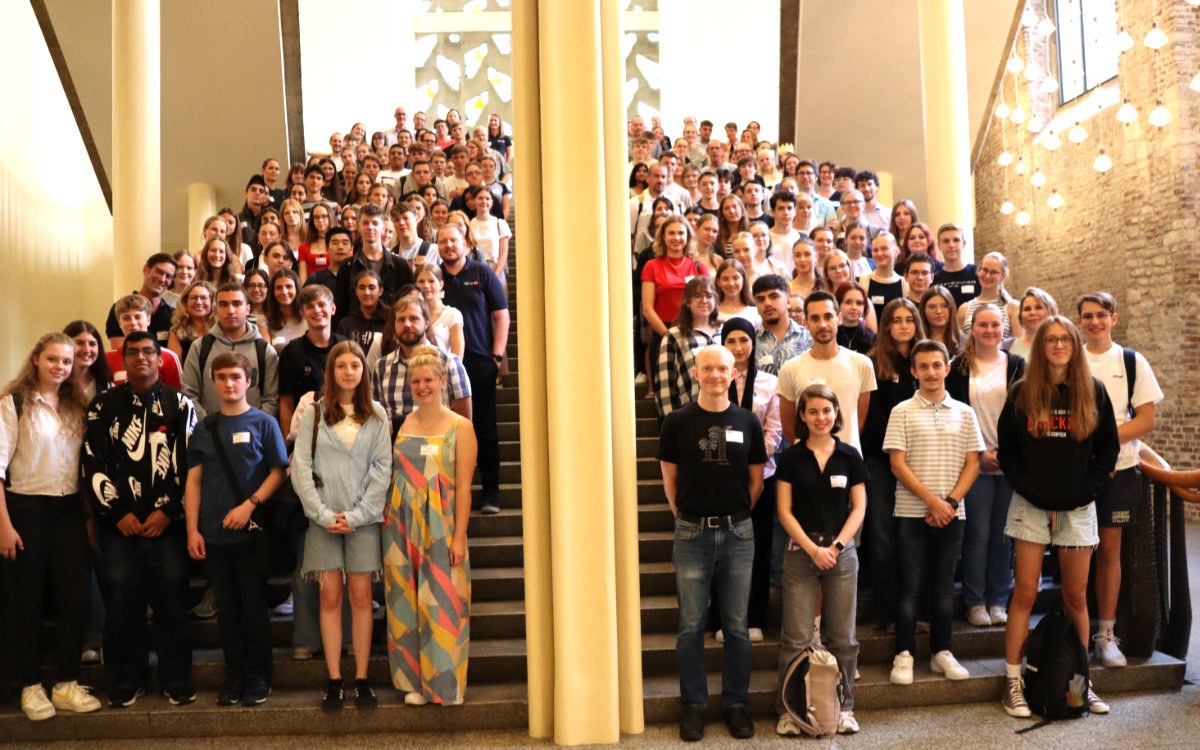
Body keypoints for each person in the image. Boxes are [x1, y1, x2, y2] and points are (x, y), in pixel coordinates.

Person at [996, 316, 1119, 718]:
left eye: (1066, 338)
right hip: (1031, 506)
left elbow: (1107, 452)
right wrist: (1029, 489)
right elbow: (1008, 452)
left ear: (1075, 345)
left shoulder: (1093, 391)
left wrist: (1085, 491)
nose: (1059, 345)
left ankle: (1079, 683)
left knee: (1075, 596)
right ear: (1040, 346)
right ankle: (1013, 683)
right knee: (1026, 593)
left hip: (1079, 508)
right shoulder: (1022, 392)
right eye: (1051, 339)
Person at [82, 331, 197, 708]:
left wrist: (167, 511)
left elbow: (190, 465)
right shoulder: (102, 407)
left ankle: (176, 677)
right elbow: (93, 463)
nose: (142, 358)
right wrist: (118, 513)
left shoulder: (180, 405)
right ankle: (128, 678)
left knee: (171, 598)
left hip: (168, 522)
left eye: (150, 351)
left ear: (160, 358)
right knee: (122, 598)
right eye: (134, 352)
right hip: (119, 523)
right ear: (123, 358)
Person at [657, 345, 766, 742]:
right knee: (690, 626)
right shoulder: (677, 422)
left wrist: (733, 515)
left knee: (737, 627)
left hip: (738, 534)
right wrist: (686, 516)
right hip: (691, 533)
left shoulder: (748, 421)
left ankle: (736, 703)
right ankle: (694, 705)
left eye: (723, 368)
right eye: (708, 368)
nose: (716, 375)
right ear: (697, 373)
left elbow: (756, 481)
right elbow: (670, 480)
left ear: (734, 373)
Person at [0, 333, 101, 721]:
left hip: (70, 510)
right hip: (25, 510)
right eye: (53, 359)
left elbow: (84, 468)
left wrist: (88, 515)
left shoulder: (77, 406)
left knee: (74, 599)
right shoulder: (15, 404)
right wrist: (4, 527)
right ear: (37, 359)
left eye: (67, 361)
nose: (60, 367)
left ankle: (65, 684)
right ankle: (29, 687)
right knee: (27, 601)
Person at [185, 351, 288, 707]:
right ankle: (235, 675)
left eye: (235, 377)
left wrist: (250, 505)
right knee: (226, 608)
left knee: (253, 605)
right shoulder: (205, 426)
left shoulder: (263, 423)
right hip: (213, 534)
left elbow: (278, 471)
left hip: (251, 532)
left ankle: (260, 675)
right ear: (213, 382)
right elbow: (194, 481)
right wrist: (192, 531)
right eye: (222, 377)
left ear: (249, 381)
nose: (229, 383)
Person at [292, 341, 391, 711]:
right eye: (341, 366)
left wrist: (357, 516)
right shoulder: (315, 414)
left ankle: (362, 678)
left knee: (362, 597)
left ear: (364, 371)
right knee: (330, 597)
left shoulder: (377, 415)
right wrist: (321, 514)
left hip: (363, 522)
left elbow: (382, 469)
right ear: (330, 371)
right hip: (322, 521)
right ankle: (334, 679)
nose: (349, 372)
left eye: (355, 365)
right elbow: (300, 467)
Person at [884, 339, 984, 686]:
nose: (930, 372)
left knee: (943, 588)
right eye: (923, 366)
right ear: (913, 371)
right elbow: (897, 464)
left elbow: (973, 463)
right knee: (910, 586)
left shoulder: (965, 413)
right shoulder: (901, 412)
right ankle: (904, 654)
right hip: (912, 512)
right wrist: (932, 501)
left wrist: (950, 503)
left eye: (937, 365)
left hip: (952, 513)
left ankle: (942, 652)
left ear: (947, 368)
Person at [383, 344, 478, 706]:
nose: (422, 386)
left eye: (428, 380)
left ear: (442, 381)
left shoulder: (461, 427)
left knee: (440, 602)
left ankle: (444, 685)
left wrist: (459, 536)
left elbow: (466, 486)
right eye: (416, 380)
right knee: (404, 602)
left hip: (441, 524)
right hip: (399, 523)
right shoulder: (404, 422)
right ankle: (414, 682)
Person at [774, 384, 867, 736]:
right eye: (812, 411)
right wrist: (813, 550)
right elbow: (784, 511)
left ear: (836, 413)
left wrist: (837, 547)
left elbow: (859, 508)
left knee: (843, 637)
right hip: (801, 554)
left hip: (841, 556)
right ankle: (788, 710)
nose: (820, 417)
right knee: (796, 638)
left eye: (826, 410)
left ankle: (844, 708)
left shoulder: (849, 456)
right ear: (802, 415)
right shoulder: (790, 458)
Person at [1077, 291, 1162, 668]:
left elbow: (1145, 420)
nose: (1094, 321)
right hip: (1075, 471)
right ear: (1079, 320)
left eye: (1101, 315)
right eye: (1087, 316)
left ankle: (1105, 633)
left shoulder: (1131, 361)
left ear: (1114, 318)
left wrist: (1106, 449)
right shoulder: (1071, 357)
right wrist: (1093, 455)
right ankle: (1073, 628)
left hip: (1120, 470)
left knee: (1110, 551)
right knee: (1073, 550)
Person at [947, 304, 1026, 628]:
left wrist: (1004, 453)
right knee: (977, 536)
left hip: (1009, 463)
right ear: (972, 328)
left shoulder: (1017, 365)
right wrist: (979, 453)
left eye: (995, 324)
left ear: (1004, 328)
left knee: (1003, 537)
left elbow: (1026, 414)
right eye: (983, 324)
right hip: (973, 462)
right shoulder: (958, 367)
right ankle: (975, 601)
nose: (989, 330)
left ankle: (998, 600)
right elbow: (952, 415)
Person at [436, 223, 508, 515]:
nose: (449, 246)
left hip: (478, 363)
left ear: (464, 242)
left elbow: (501, 316)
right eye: (443, 242)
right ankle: (448, 493)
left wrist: (497, 357)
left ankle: (490, 491)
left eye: (453, 240)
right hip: (441, 368)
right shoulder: (435, 277)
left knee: (484, 428)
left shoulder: (482, 273)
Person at [718, 318, 782, 645]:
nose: (739, 347)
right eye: (731, 341)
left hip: (761, 477)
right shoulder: (714, 380)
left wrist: (751, 459)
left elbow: (774, 430)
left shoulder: (769, 382)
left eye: (744, 340)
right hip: (720, 478)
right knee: (722, 551)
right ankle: (722, 618)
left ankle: (754, 618)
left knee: (756, 550)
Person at [861, 298, 923, 631]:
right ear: (885, 326)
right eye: (895, 320)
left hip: (921, 462)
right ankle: (886, 612)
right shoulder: (873, 363)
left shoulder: (926, 360)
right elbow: (871, 418)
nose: (902, 325)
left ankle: (917, 609)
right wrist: (896, 450)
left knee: (914, 537)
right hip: (881, 460)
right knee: (883, 536)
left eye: (908, 319)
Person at [777, 291, 877, 451]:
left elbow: (858, 422)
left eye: (828, 317)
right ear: (806, 323)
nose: (822, 324)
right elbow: (789, 428)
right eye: (815, 318)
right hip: (805, 464)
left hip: (848, 463)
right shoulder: (790, 368)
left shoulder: (862, 364)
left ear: (839, 318)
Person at [182, 282, 280, 420]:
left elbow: (271, 400)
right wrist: (207, 426)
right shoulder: (199, 347)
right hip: (209, 432)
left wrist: (255, 428)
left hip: (253, 435)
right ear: (216, 309)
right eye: (223, 304)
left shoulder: (265, 351)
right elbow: (189, 393)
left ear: (247, 309)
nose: (230, 310)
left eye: (237, 303)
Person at [373, 295, 473, 430]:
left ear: (426, 323)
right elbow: (378, 418)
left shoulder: (450, 363)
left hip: (440, 445)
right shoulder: (381, 367)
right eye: (401, 320)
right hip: (395, 447)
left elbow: (464, 423)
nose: (406, 324)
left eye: (413, 318)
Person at [334, 204, 415, 323]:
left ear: (383, 228)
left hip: (390, 330)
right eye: (365, 223)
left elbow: (409, 303)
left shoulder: (400, 265)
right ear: (359, 227)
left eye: (375, 223)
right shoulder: (347, 266)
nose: (370, 227)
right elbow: (341, 307)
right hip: (355, 332)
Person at [656, 277, 722, 417]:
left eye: (709, 296)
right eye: (697, 296)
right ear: (687, 302)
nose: (704, 300)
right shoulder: (674, 336)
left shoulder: (725, 332)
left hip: (724, 415)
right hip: (688, 416)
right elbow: (665, 386)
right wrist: (669, 424)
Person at [106, 294, 184, 389]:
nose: (133, 323)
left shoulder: (169, 358)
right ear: (119, 323)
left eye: (138, 317)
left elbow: (177, 397)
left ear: (148, 319)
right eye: (126, 318)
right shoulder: (107, 359)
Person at [105, 253, 178, 351]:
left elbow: (172, 356)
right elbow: (122, 354)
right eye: (159, 272)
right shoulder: (120, 309)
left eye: (168, 276)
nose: (162, 279)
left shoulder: (173, 315)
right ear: (145, 269)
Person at [751, 274, 812, 376]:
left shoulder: (808, 338)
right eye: (761, 299)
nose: (767, 303)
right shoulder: (750, 341)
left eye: (774, 296)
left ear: (788, 301)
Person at [957, 252, 1021, 339]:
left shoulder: (1013, 307)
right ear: (979, 270)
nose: (987, 276)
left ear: (1003, 276)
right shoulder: (964, 309)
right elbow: (959, 346)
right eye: (985, 270)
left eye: (994, 272)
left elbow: (1018, 346)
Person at [860, 233, 910, 323]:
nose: (879, 253)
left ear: (896, 251)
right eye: (875, 250)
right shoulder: (863, 282)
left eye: (884, 248)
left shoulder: (905, 284)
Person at [336, 270, 390, 353]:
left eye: (372, 288)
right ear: (356, 291)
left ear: (380, 291)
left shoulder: (390, 321)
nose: (367, 292)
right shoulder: (345, 324)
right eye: (362, 288)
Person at [167, 280, 216, 365]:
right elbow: (175, 366)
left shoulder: (221, 329)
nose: (198, 302)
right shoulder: (176, 332)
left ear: (212, 302)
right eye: (193, 297)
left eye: (204, 298)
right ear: (185, 302)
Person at [932, 224, 980, 309]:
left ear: (964, 243)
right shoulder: (934, 280)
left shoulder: (978, 273)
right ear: (939, 245)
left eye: (956, 240)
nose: (951, 245)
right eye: (946, 241)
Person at [1005, 287, 1057, 359]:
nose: (1032, 313)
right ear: (1020, 316)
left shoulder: (1061, 346)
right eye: (1027, 309)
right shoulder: (1006, 347)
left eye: (1038, 308)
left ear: (1050, 311)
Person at [715, 259, 760, 327]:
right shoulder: (712, 313)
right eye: (725, 279)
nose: (731, 283)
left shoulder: (755, 312)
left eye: (735, 278)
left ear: (743, 279)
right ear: (718, 282)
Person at [835, 281, 877, 355]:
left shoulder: (872, 339)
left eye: (859, 303)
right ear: (838, 304)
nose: (854, 307)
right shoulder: (830, 336)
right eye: (848, 302)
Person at [920, 285, 962, 357]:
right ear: (923, 310)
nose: (938, 311)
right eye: (932, 307)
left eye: (944, 306)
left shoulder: (966, 343)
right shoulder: (915, 342)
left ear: (951, 309)